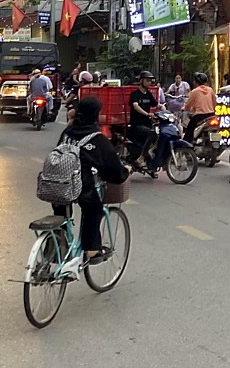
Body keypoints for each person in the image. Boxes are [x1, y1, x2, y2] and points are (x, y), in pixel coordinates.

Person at [57, 96, 130, 279]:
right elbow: (112, 169)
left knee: (62, 216)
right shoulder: (96, 138)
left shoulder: (68, 132)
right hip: (78, 183)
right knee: (93, 209)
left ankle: (56, 249)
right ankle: (91, 250)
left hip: (54, 182)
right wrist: (125, 171)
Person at [126, 71, 160, 166]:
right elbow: (136, 106)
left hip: (147, 124)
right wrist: (147, 114)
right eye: (147, 80)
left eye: (151, 81)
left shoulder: (148, 94)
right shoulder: (135, 94)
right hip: (137, 125)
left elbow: (157, 104)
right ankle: (143, 156)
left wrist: (163, 108)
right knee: (152, 133)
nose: (150, 83)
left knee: (158, 136)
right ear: (141, 81)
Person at [184, 72, 217, 143]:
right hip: (211, 115)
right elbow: (215, 103)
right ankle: (216, 140)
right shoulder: (210, 90)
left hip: (199, 117)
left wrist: (184, 108)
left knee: (189, 131)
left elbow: (188, 105)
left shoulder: (194, 91)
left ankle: (187, 146)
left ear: (196, 82)